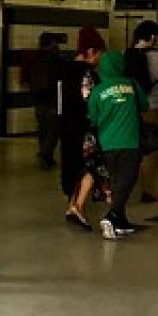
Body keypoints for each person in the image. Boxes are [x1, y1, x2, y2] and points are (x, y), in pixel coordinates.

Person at [87, 48, 147, 240]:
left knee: (116, 180)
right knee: (127, 179)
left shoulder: (97, 91)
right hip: (129, 140)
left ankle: (121, 220)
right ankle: (112, 216)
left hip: (108, 143)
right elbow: (144, 106)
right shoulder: (131, 83)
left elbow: (93, 118)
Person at [59, 26, 106, 231]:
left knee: (72, 164)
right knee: (90, 165)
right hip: (84, 127)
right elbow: (90, 102)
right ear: (90, 51)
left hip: (66, 124)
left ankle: (72, 205)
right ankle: (77, 206)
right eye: (99, 54)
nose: (100, 59)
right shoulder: (87, 74)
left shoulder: (65, 70)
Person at [126, 20, 158, 203]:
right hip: (151, 107)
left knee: (131, 150)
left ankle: (126, 188)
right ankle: (147, 190)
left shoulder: (127, 55)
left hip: (128, 108)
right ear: (153, 37)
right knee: (150, 150)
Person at [23, 32, 61, 169]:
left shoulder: (33, 58)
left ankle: (47, 156)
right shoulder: (54, 58)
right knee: (54, 129)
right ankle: (46, 154)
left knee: (43, 128)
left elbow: (26, 78)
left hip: (38, 99)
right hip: (52, 98)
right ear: (51, 43)